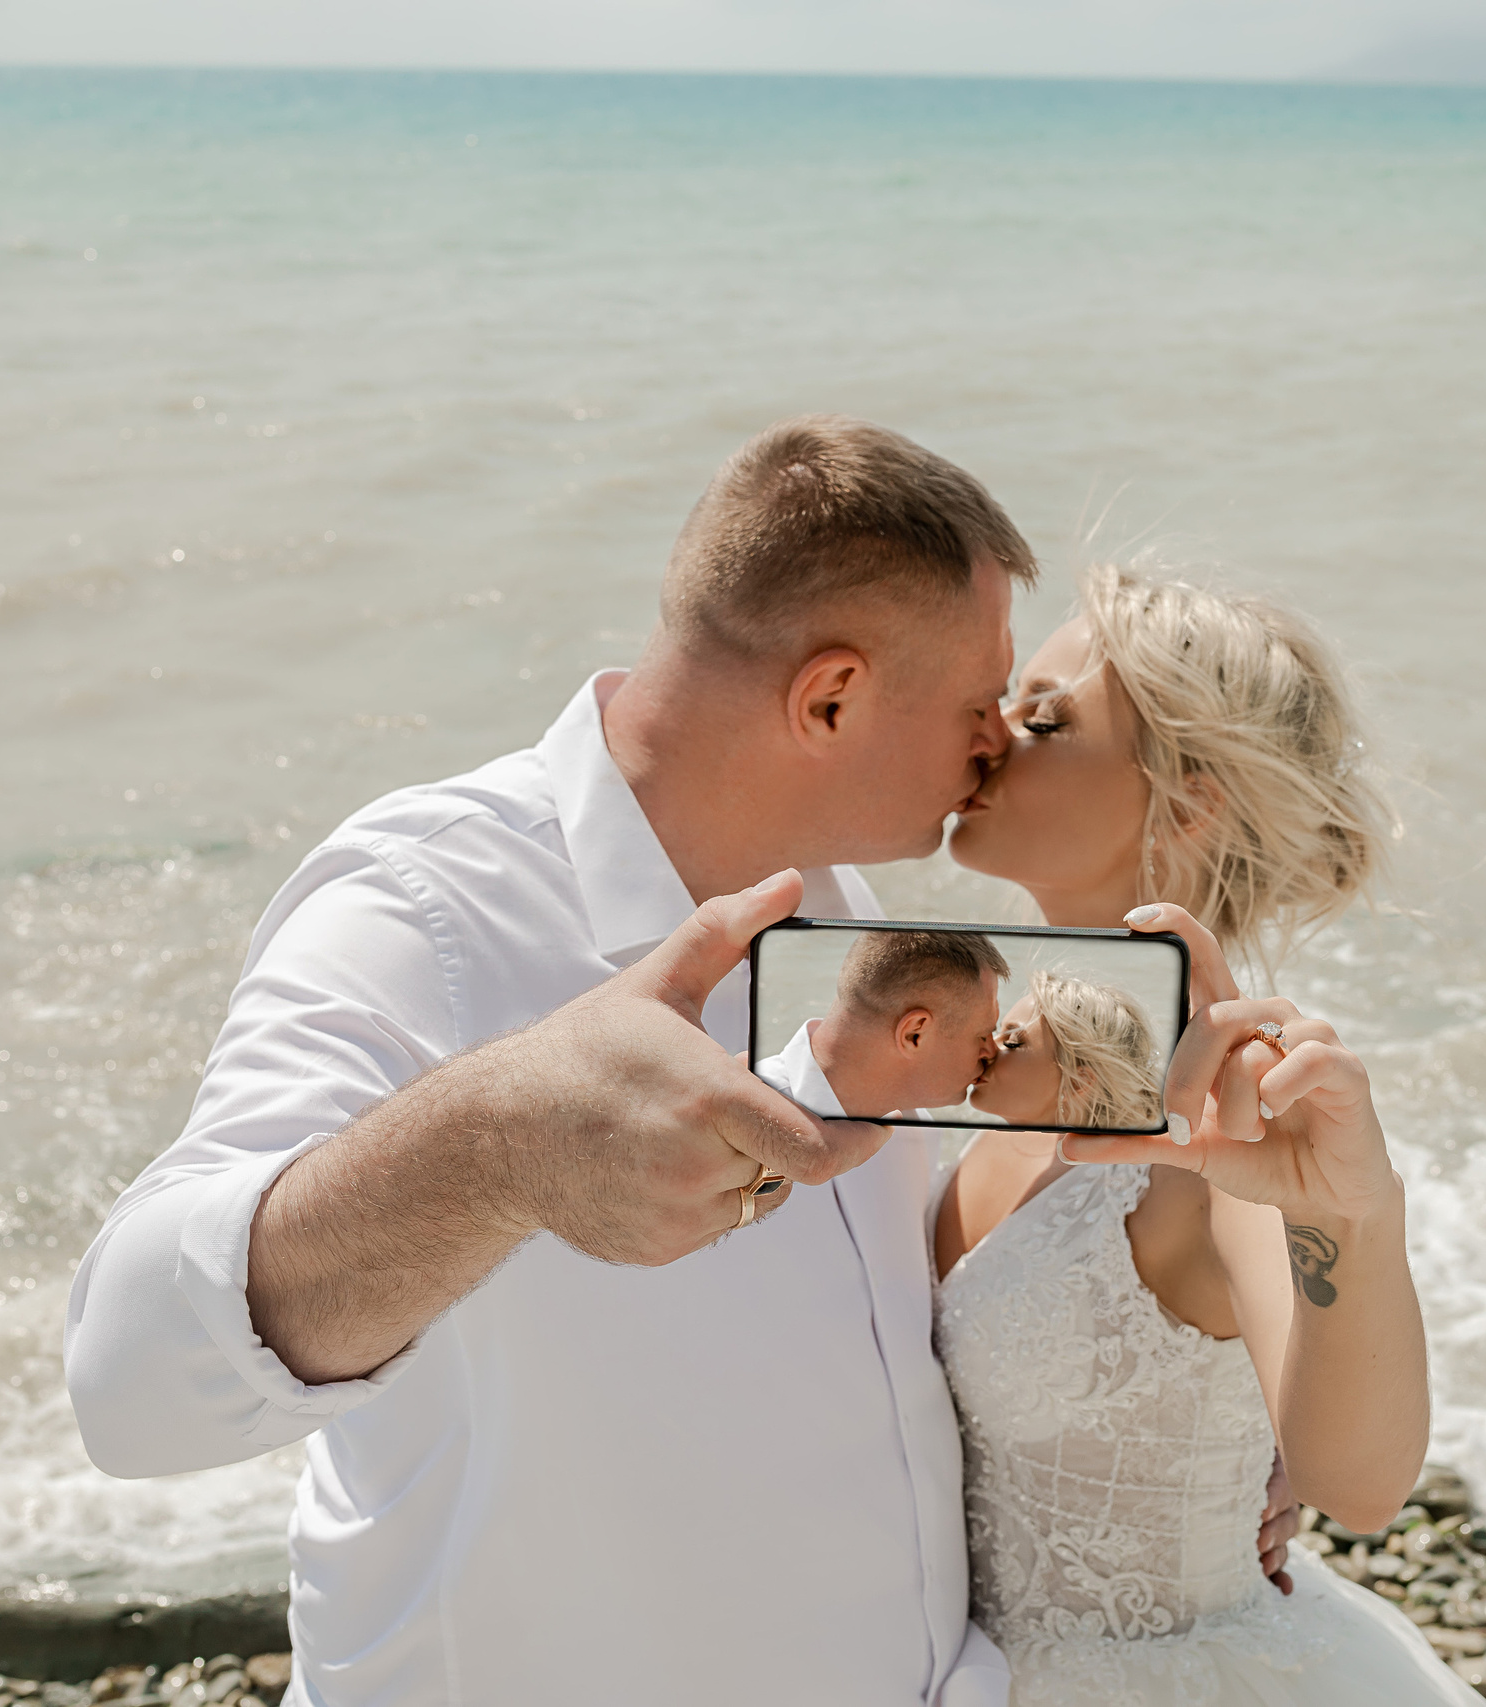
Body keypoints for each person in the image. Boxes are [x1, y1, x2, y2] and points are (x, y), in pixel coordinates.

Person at [63, 422, 1297, 1706]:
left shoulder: (843, 907)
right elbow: (127, 1385)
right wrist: (495, 1150)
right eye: (978, 705)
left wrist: (1199, 1420)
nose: (996, 742)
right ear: (830, 700)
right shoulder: (423, 912)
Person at [933, 562, 1486, 1704]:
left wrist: (1350, 1213)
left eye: (1044, 719)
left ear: (1189, 803)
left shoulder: (1230, 1126)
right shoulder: (990, 1060)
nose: (990, 735)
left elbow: (1362, 1483)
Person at [758, 929, 1008, 1121]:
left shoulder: (912, 1115)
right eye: (982, 1035)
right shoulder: (752, 1117)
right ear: (914, 1034)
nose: (992, 1051)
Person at [965, 971, 1161, 1133]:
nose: (988, 1049)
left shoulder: (1141, 1166)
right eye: (997, 1032)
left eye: (1012, 1043)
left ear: (1077, 1082)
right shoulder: (991, 1136)